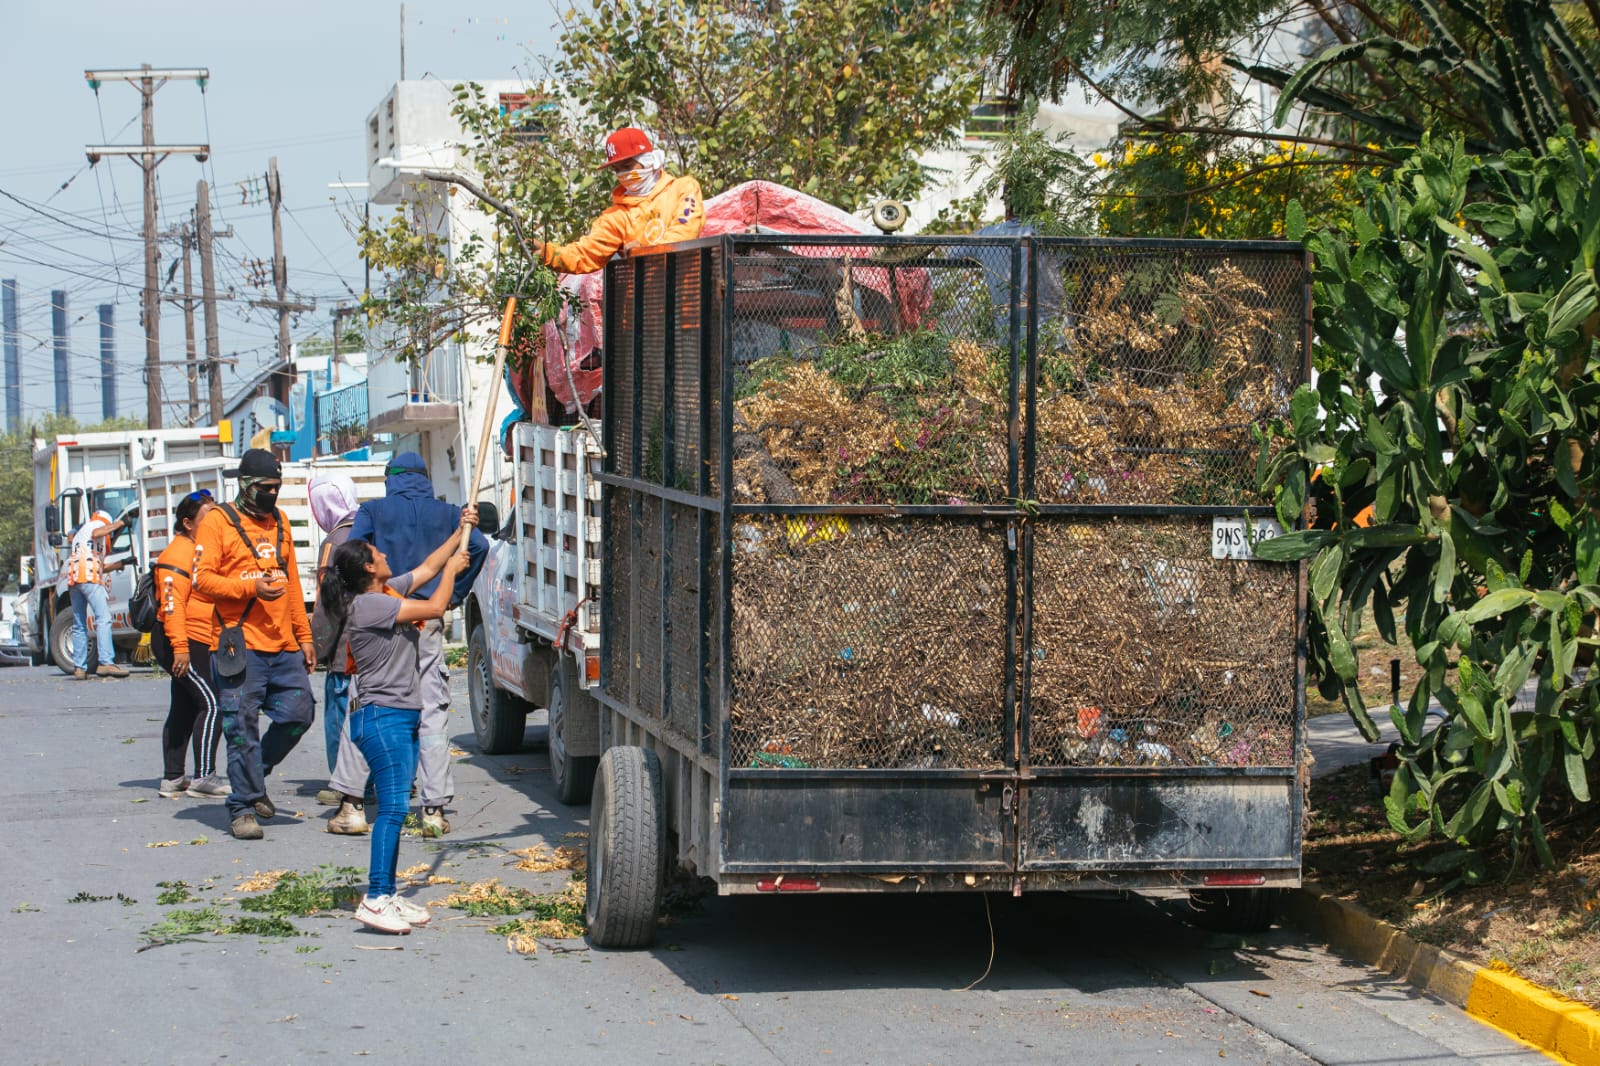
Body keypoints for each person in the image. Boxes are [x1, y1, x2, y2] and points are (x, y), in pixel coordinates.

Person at [319, 520, 472, 933]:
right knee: (391, 811)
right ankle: (376, 899)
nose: (384, 554)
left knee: (395, 809)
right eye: (377, 554)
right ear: (369, 569)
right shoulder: (370, 606)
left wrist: (461, 531)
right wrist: (454, 572)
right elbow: (437, 607)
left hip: (395, 716)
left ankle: (386, 892)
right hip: (382, 718)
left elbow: (425, 569)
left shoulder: (383, 593)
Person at [349, 453, 489, 837]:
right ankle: (433, 808)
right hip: (427, 619)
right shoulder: (448, 515)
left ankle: (355, 804)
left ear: (389, 479)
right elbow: (477, 547)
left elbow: (351, 554)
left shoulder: (373, 510)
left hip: (381, 621)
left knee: (372, 706)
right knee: (432, 714)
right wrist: (454, 593)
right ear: (425, 478)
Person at [192, 448, 316, 841]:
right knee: (240, 726)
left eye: (276, 488)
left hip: (283, 644)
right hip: (237, 644)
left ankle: (252, 775)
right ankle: (242, 807)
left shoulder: (279, 521)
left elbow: (291, 582)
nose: (271, 495)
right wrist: (250, 587)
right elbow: (203, 580)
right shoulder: (217, 522)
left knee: (300, 714)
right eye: (264, 487)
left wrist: (305, 636)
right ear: (245, 485)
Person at [533, 127, 705, 276]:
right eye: (617, 170)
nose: (623, 175)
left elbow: (685, 232)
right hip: (644, 305)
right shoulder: (617, 217)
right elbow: (585, 254)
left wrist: (643, 251)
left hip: (687, 300)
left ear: (649, 161)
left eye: (627, 166)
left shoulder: (683, 189)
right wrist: (546, 253)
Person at [152, 489, 230, 799]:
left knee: (184, 706)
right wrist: (180, 648)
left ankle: (173, 778)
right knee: (213, 704)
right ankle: (203, 777)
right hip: (180, 639)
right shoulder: (176, 556)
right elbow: (172, 607)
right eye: (207, 518)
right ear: (187, 523)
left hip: (197, 638)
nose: (214, 523)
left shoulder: (198, 550)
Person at [308, 473, 361, 796]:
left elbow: (329, 605)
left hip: (345, 651)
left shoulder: (334, 543)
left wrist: (315, 647)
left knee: (339, 717)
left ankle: (344, 783)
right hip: (379, 646)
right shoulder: (372, 530)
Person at [67, 507, 133, 679]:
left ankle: (79, 668)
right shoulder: (95, 525)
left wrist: (122, 563)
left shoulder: (82, 535)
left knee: (79, 624)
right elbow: (98, 532)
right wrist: (120, 523)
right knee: (103, 618)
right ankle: (106, 662)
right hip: (88, 578)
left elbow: (100, 566)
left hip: (75, 579)